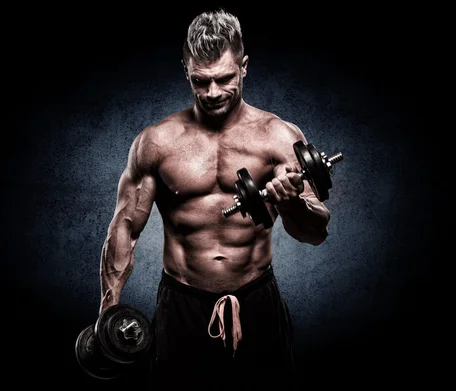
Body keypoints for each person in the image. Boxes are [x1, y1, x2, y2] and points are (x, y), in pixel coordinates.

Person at [98, 8, 330, 391]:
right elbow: (124, 227)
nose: (212, 93)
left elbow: (315, 232)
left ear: (244, 67)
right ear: (185, 70)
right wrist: (107, 310)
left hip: (257, 301)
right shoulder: (157, 142)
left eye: (224, 79)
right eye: (200, 81)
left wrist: (289, 202)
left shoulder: (277, 136)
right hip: (181, 304)